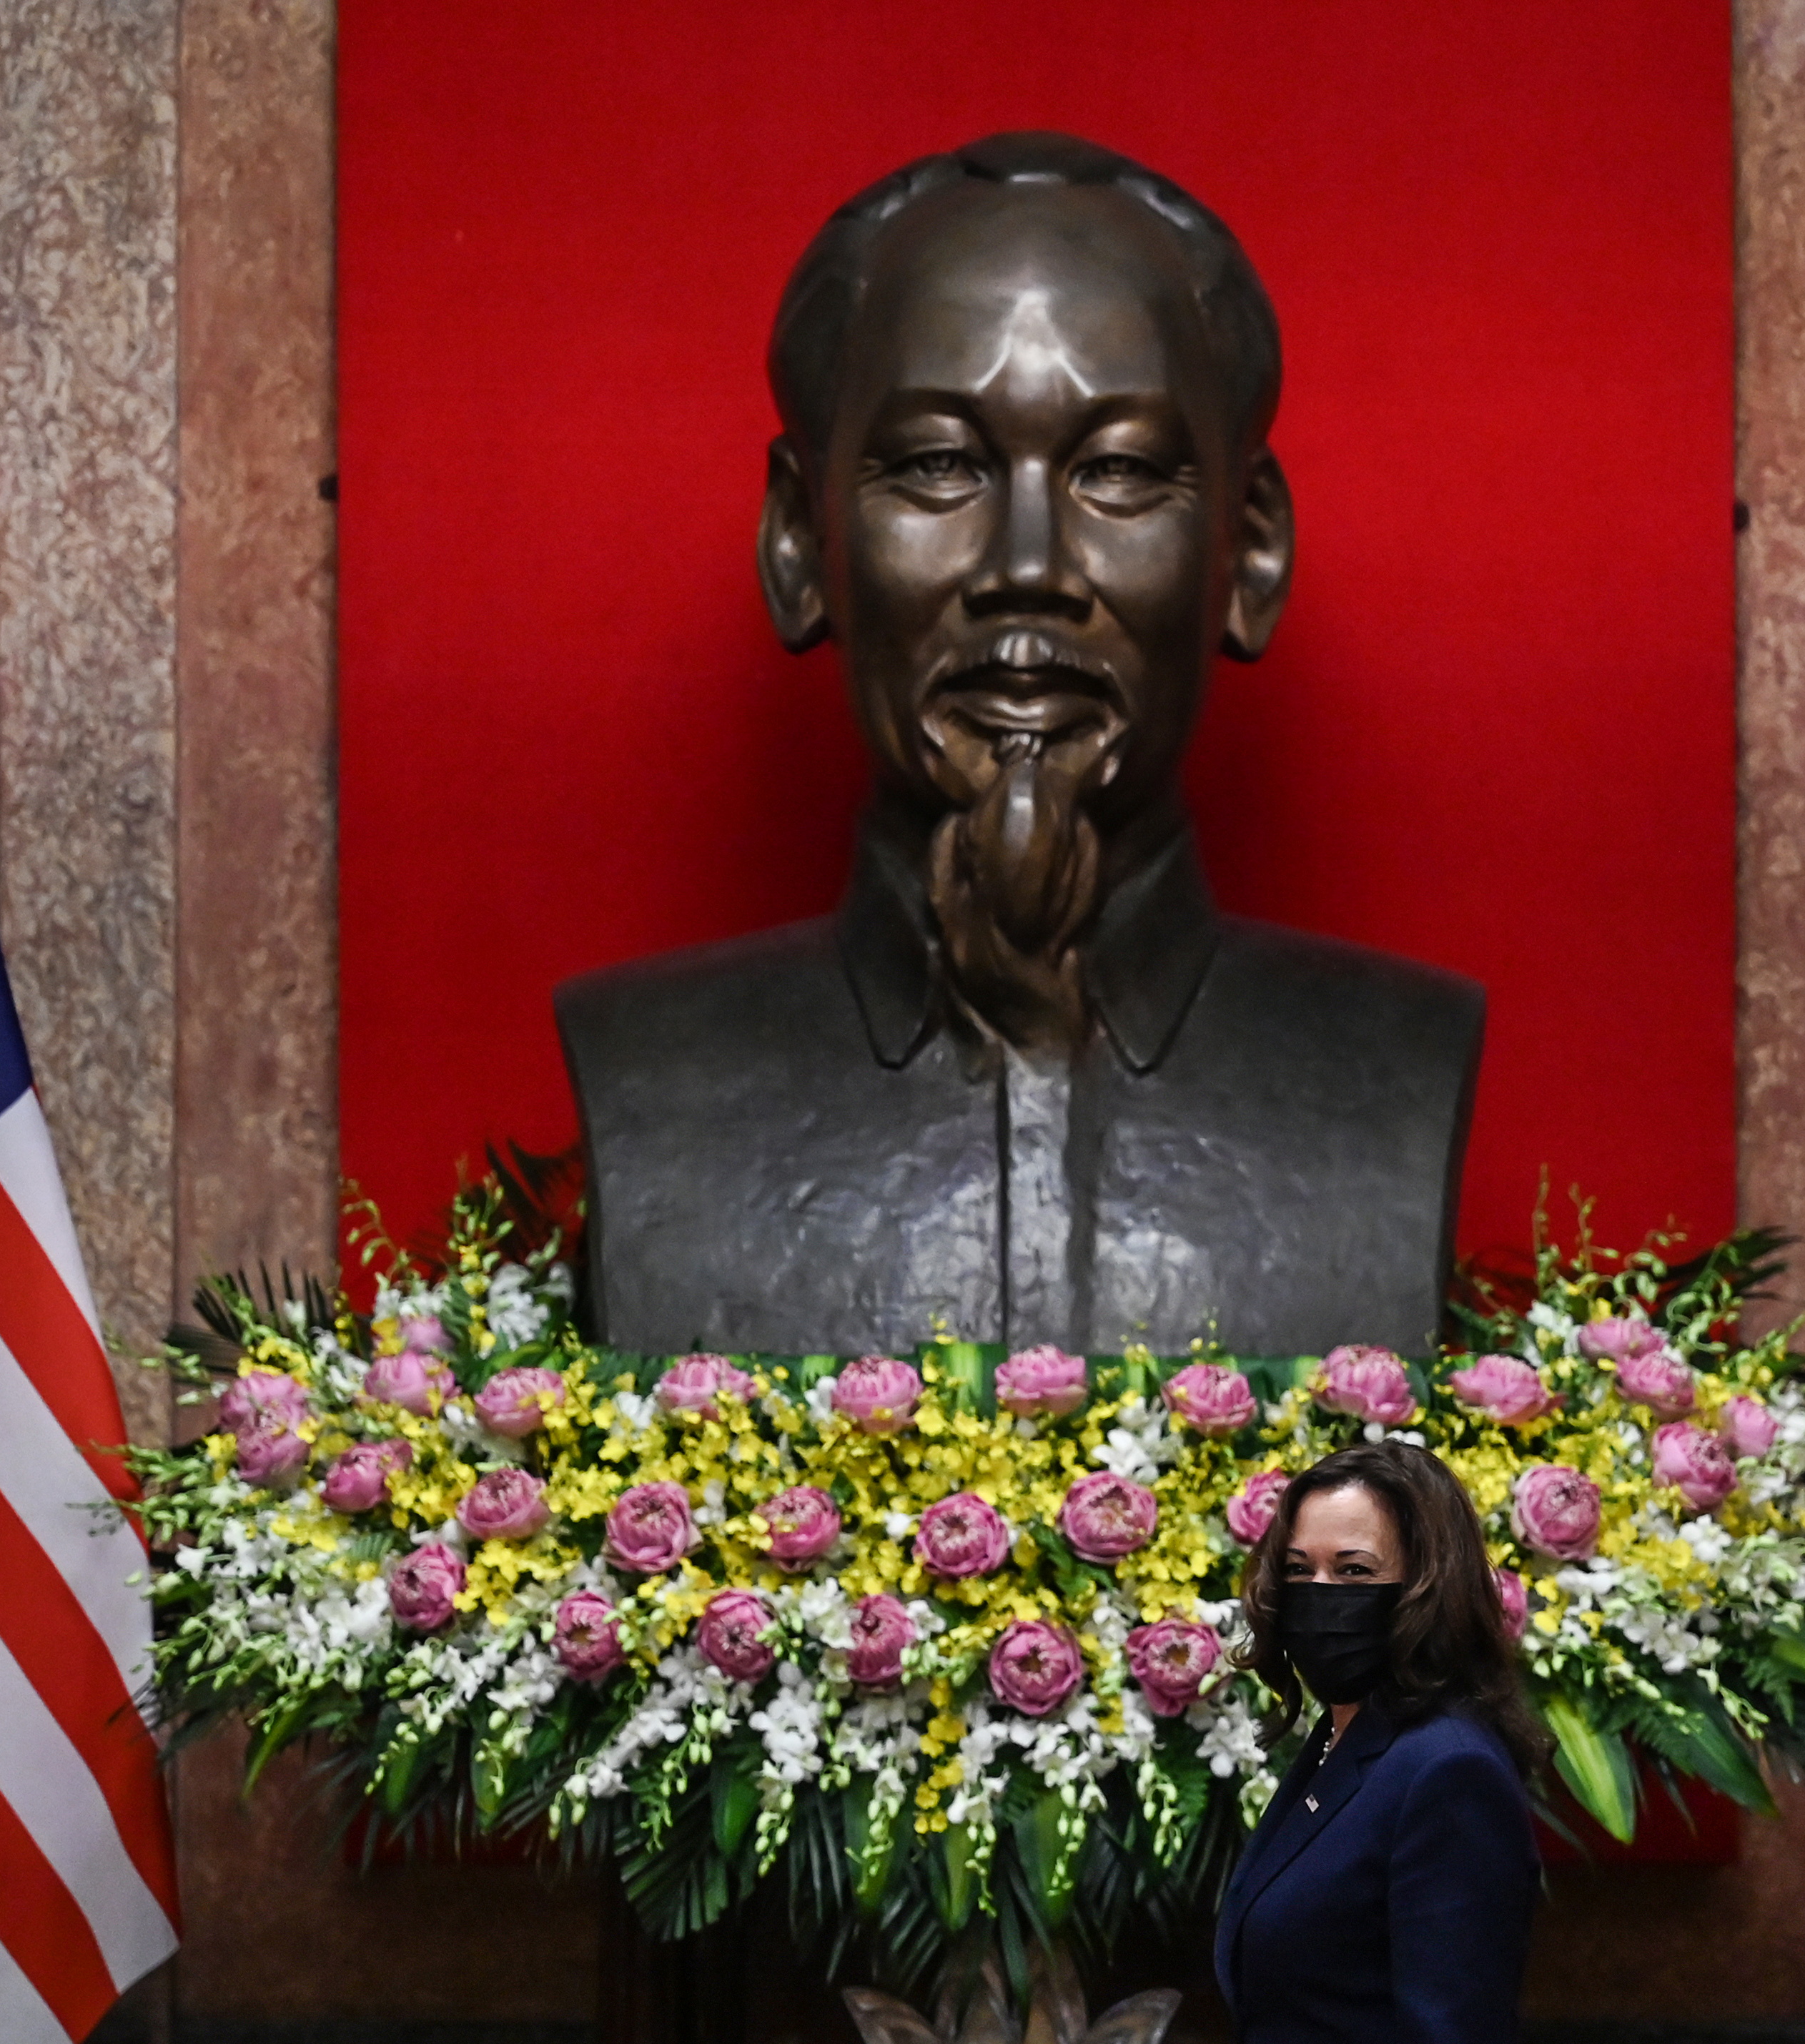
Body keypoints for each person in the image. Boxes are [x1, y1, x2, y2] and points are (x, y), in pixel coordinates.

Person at [555, 132, 1481, 1360]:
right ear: (798, 541)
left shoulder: (1396, 1071)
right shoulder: (654, 1076)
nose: (1029, 569)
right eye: (939, 466)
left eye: (1118, 472)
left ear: (1249, 553)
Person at [1191, 1440, 1567, 2044]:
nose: (1319, 1596)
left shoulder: (1447, 1768)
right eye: (1299, 1569)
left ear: (1424, 1587)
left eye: (1354, 1572)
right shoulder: (1340, 1740)